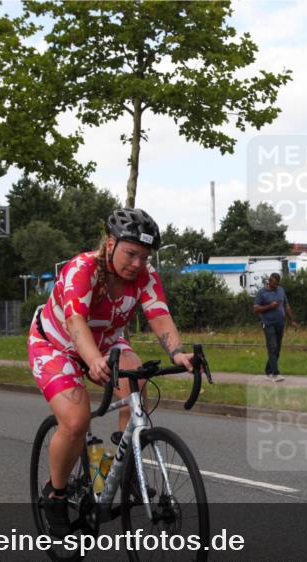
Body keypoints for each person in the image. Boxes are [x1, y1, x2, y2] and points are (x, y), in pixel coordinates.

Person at [28, 208, 194, 535]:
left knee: (137, 377)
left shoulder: (145, 277)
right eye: (131, 253)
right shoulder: (82, 269)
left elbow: (159, 315)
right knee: (77, 420)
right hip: (56, 344)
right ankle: (55, 494)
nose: (137, 264)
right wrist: (91, 361)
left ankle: (125, 462)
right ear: (110, 243)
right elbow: (76, 321)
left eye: (144, 257)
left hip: (105, 343)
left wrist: (177, 353)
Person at [252, 272, 298, 382]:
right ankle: (275, 374)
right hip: (268, 324)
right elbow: (256, 309)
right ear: (270, 280)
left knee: (277, 349)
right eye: (274, 283)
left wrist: (292, 320)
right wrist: (269, 306)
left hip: (280, 323)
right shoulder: (261, 293)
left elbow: (286, 306)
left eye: (278, 284)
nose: (276, 286)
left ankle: (268, 371)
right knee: (272, 347)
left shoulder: (281, 290)